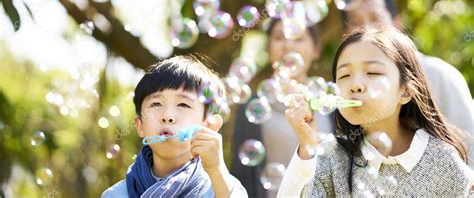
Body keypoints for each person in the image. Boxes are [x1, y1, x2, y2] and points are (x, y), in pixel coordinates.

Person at [279, 27, 472, 197]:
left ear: (405, 90)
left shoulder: (442, 162)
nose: (355, 85)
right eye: (345, 75)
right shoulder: (331, 157)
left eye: (372, 72)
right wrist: (307, 146)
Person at [342, 0, 473, 167]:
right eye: (356, 22)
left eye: (376, 18)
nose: (367, 28)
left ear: (397, 24)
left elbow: (470, 143)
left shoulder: (439, 75)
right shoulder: (347, 87)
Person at [101, 55, 247, 197]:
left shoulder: (223, 188)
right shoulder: (116, 194)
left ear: (209, 125)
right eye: (156, 103)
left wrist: (217, 170)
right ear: (140, 126)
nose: (167, 116)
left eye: (183, 104)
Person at [231, 18, 335, 198]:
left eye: (298, 38)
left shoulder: (332, 105)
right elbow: (241, 174)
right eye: (279, 37)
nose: (288, 45)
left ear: (316, 49)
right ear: (268, 48)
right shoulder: (252, 107)